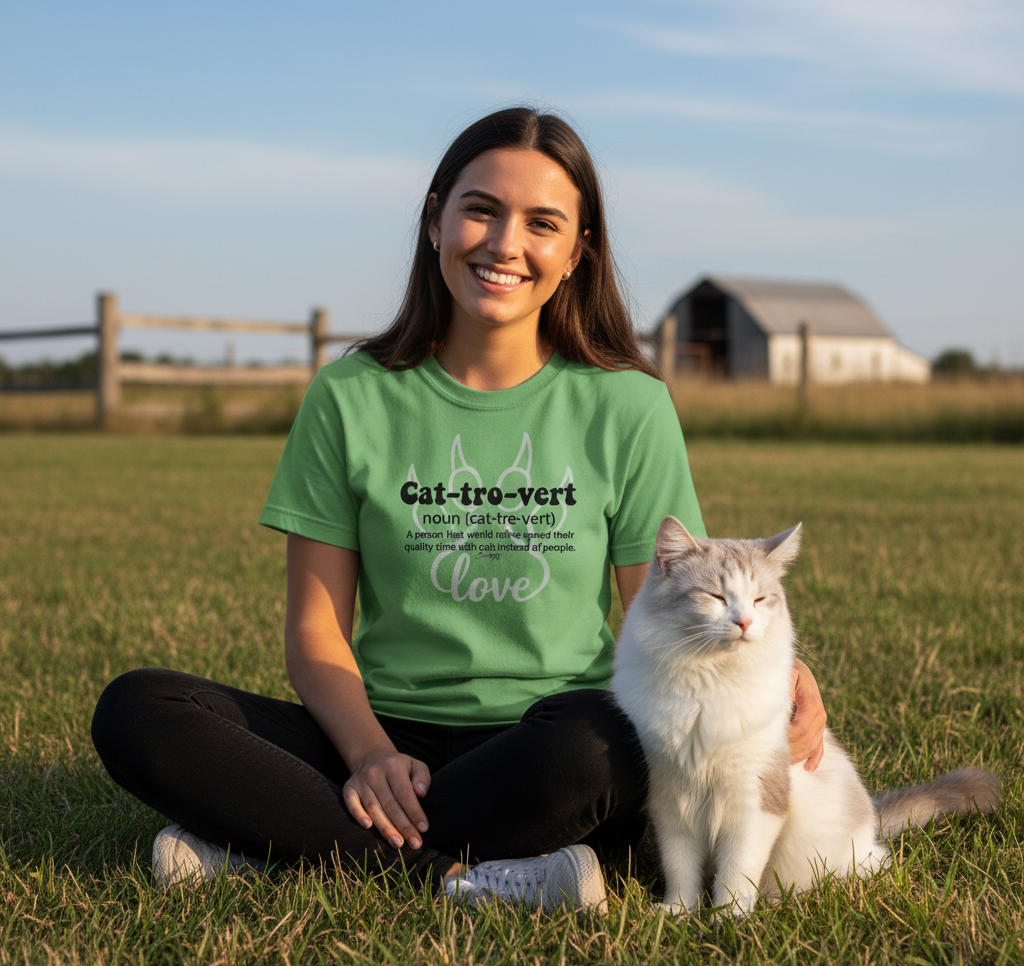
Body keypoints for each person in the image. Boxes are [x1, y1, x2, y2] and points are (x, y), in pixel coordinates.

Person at [91, 107, 827, 912]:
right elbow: (315, 633)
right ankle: (462, 876)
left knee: (607, 744)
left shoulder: (629, 406)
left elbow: (671, 605)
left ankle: (274, 843)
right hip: (375, 732)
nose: (504, 244)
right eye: (481, 209)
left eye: (542, 223)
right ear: (435, 217)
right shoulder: (349, 397)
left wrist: (783, 675)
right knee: (139, 709)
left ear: (577, 253)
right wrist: (370, 755)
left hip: (546, 745)